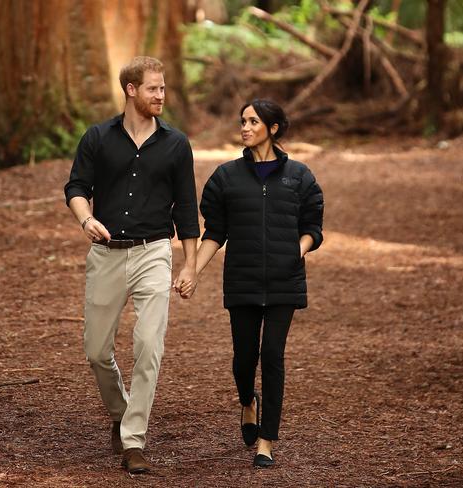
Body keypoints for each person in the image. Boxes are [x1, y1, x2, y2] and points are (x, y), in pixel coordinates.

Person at [64, 56, 199, 474]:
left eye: (163, 88)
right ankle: (121, 411)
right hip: (106, 254)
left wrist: (190, 264)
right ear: (131, 90)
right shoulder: (98, 137)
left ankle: (133, 440)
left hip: (153, 252)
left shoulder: (176, 144)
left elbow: (188, 210)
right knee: (96, 351)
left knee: (148, 345)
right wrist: (86, 218)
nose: (161, 95)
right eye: (154, 88)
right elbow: (76, 187)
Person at [178, 99, 324, 468]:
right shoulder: (226, 177)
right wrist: (192, 269)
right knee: (245, 359)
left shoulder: (300, 176)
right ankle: (247, 401)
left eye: (253, 121)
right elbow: (216, 232)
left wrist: (298, 250)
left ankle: (266, 441)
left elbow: (313, 228)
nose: (244, 127)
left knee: (273, 356)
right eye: (242, 120)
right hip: (242, 280)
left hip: (283, 281)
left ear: (273, 128)